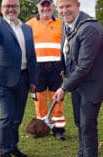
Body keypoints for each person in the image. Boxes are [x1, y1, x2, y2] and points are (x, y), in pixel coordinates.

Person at [54, 0, 103, 157]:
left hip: (93, 84)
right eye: (61, 7)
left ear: (78, 6)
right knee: (79, 122)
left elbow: (85, 66)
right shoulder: (68, 26)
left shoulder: (89, 28)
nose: (64, 10)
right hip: (79, 83)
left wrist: (64, 88)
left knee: (87, 126)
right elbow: (69, 56)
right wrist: (65, 77)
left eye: (68, 6)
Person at [0, 0, 38, 157]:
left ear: (19, 9)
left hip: (24, 77)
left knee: (17, 117)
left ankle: (13, 146)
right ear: (1, 9)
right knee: (7, 116)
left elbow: (32, 56)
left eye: (14, 6)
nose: (11, 9)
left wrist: (33, 80)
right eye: (7, 6)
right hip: (5, 79)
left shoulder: (27, 28)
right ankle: (4, 151)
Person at [26, 0, 66, 141]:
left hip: (56, 67)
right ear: (38, 7)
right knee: (39, 99)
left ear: (52, 6)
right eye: (42, 5)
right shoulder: (29, 25)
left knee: (58, 98)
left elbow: (66, 47)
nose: (45, 7)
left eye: (48, 4)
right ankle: (41, 127)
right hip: (37, 68)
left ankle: (58, 129)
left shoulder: (61, 24)